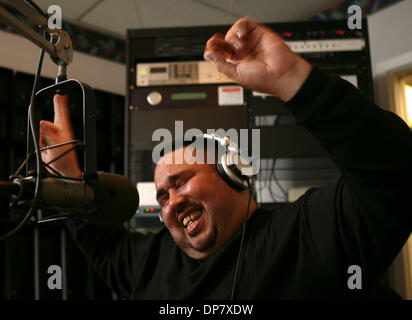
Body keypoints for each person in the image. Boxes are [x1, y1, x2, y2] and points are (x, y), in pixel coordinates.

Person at [39, 17, 412, 299]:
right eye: (164, 195)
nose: (171, 204)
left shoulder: (307, 234)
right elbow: (101, 246)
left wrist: (293, 80)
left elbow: (394, 171)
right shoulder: (151, 263)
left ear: (232, 171)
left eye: (181, 181)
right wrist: (71, 181)